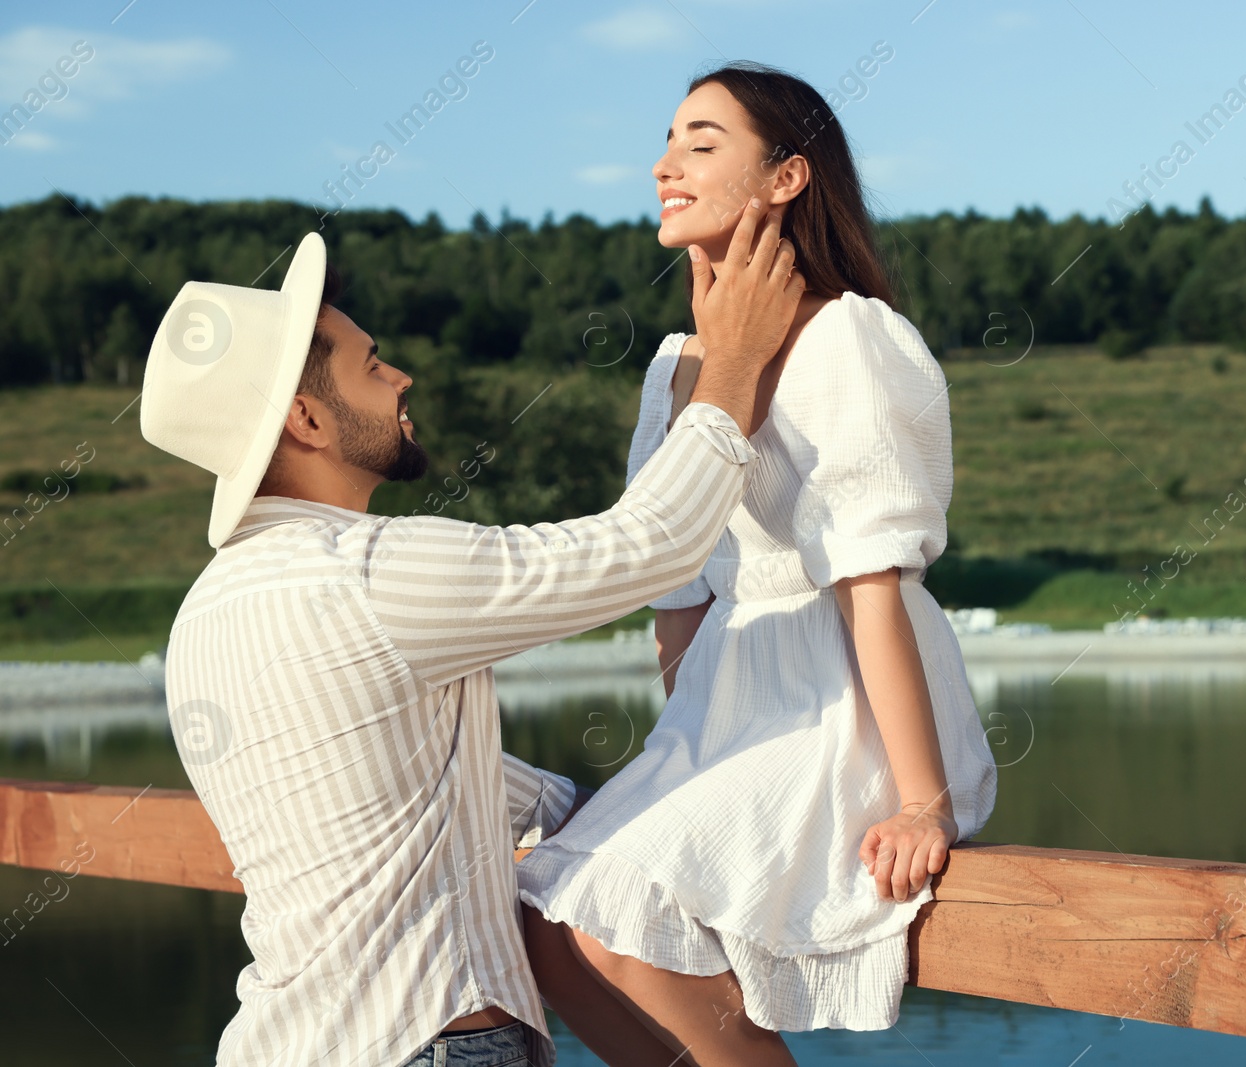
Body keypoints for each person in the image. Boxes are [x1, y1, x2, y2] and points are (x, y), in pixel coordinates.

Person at [141, 206, 803, 1067]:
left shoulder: (205, 609)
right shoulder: (366, 570)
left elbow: (418, 788)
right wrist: (738, 362)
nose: (403, 377)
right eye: (372, 364)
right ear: (306, 419)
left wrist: (629, 828)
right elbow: (649, 546)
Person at [517, 62, 998, 1066]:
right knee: (545, 915)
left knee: (622, 899)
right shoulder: (674, 366)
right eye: (668, 142)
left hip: (839, 708)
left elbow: (873, 585)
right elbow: (677, 593)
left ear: (786, 178)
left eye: (702, 143)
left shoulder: (850, 337)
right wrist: (675, 758)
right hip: (723, 708)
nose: (664, 165)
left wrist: (923, 798)